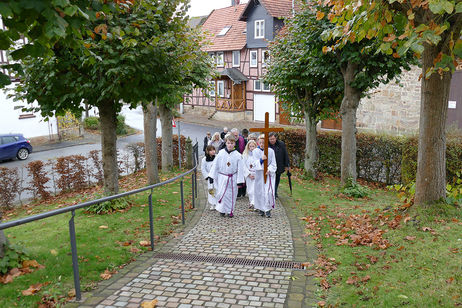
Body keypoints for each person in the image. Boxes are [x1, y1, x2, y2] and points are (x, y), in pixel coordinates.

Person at [208, 134, 244, 218]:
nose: (230, 145)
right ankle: (222, 210)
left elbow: (240, 169)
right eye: (228, 143)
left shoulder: (238, 155)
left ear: (234, 144)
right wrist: (211, 176)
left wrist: (240, 181)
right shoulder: (221, 153)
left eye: (232, 143)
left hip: (232, 178)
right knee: (222, 194)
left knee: (231, 194)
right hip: (222, 177)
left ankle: (230, 210)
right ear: (226, 143)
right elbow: (215, 165)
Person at [253, 134, 277, 218]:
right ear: (258, 143)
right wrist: (261, 160)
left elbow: (274, 163)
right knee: (260, 192)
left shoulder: (271, 151)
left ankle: (268, 209)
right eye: (260, 143)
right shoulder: (255, 151)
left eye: (264, 142)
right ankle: (261, 209)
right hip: (259, 175)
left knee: (268, 192)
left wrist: (269, 169)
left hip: (268, 175)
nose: (262, 144)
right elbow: (254, 163)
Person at [268, 132, 290, 199]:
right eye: (270, 139)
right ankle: (270, 192)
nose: (272, 140)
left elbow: (285, 154)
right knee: (270, 179)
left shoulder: (281, 144)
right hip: (270, 165)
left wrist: (287, 165)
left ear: (276, 138)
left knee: (277, 179)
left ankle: (275, 192)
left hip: (279, 164)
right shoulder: (266, 145)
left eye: (273, 139)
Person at [242, 140, 258, 209]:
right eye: (250, 146)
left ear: (255, 146)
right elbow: (243, 165)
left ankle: (254, 203)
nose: (252, 148)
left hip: (256, 174)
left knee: (255, 189)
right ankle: (251, 201)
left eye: (253, 146)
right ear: (248, 147)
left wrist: (257, 173)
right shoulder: (245, 155)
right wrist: (248, 174)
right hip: (249, 174)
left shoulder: (257, 154)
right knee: (250, 190)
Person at [201, 145, 217, 210]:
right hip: (210, 177)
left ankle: (218, 203)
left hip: (216, 177)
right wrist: (207, 176)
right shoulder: (204, 159)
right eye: (211, 150)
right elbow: (203, 169)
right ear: (207, 151)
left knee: (217, 190)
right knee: (211, 190)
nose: (213, 151)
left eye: (213, 150)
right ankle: (212, 204)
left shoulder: (217, 157)